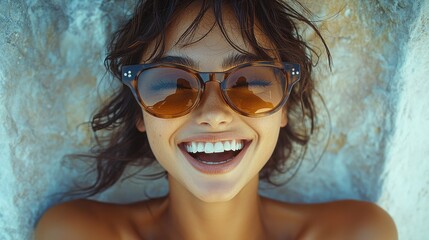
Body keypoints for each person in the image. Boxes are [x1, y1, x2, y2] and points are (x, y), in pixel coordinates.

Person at [34, 0, 397, 239]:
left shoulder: (359, 233)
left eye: (250, 82)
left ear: (285, 105)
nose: (213, 115)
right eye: (172, 84)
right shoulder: (73, 233)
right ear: (140, 112)